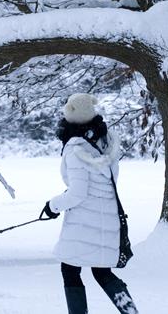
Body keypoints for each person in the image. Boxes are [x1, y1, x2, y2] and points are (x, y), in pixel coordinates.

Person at [42, 93, 138, 314]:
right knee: (101, 271)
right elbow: (106, 181)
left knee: (70, 269)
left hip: (84, 221)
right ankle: (131, 311)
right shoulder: (106, 141)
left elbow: (77, 193)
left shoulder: (76, 148)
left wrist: (52, 205)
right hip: (108, 217)